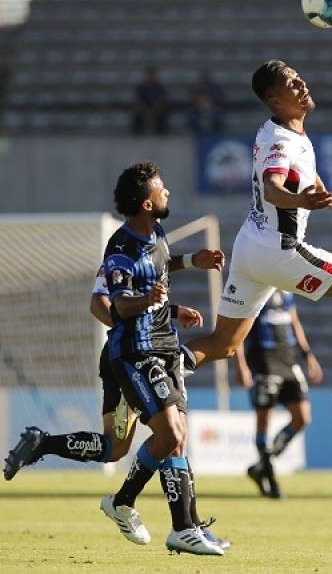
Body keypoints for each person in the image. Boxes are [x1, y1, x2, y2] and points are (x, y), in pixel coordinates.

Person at [3, 163, 227, 555]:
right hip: (133, 352)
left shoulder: (154, 232)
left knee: (118, 448)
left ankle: (46, 446)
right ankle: (147, 512)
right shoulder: (119, 249)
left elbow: (157, 270)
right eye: (162, 189)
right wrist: (147, 309)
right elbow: (107, 303)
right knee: (169, 436)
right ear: (146, 202)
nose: (169, 193)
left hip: (157, 345)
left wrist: (189, 269)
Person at [185, 59, 332, 416]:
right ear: (275, 100)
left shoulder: (278, 130)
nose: (301, 85)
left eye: (299, 78)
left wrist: (317, 189)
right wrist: (301, 200)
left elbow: (294, 171)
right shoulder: (283, 141)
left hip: (250, 247)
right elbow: (272, 187)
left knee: (223, 345)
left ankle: (155, 368)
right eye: (291, 84)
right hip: (278, 249)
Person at [234, 290, 323, 498]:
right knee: (264, 420)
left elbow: (294, 321)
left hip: (288, 357)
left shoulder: (285, 288)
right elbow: (237, 327)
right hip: (263, 359)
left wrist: (307, 355)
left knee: (302, 418)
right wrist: (240, 364)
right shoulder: (254, 289)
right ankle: (271, 480)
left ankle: (261, 467)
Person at [132, 66, 169, 135]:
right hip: (144, 105)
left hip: (156, 105)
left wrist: (158, 104)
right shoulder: (141, 87)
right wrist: (143, 105)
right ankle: (137, 131)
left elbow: (163, 98)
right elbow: (138, 98)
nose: (150, 78)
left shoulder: (159, 87)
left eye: (152, 76)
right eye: (149, 76)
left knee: (162, 110)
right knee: (137, 110)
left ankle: (161, 131)